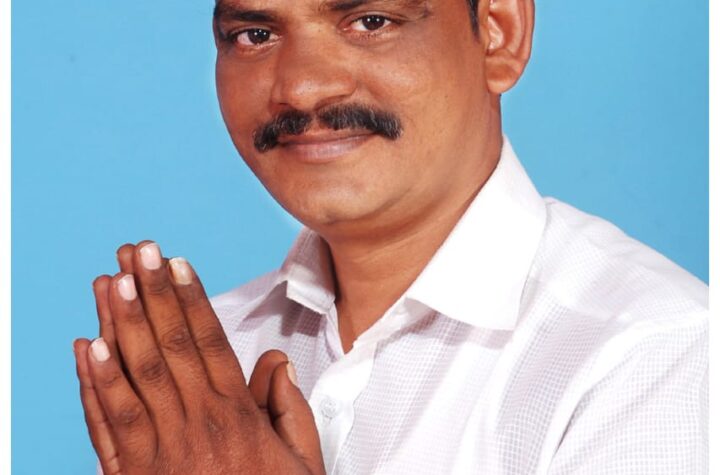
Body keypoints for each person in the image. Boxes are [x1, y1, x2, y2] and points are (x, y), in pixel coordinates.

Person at [72, 0, 708, 473]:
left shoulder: (653, 353)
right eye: (255, 34)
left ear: (499, 33)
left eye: (370, 21)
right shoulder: (202, 375)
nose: (302, 87)